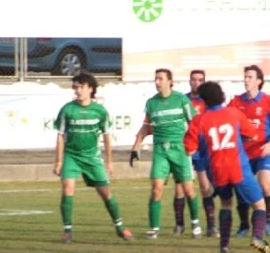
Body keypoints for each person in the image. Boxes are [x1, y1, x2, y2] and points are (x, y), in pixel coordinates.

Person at [184, 81, 270, 253]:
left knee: (226, 204)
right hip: (237, 167)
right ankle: (258, 237)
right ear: (221, 95)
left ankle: (224, 247)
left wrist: (206, 150)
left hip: (216, 171)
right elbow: (250, 135)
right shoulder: (234, 113)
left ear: (204, 101)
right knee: (259, 204)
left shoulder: (199, 121)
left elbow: (189, 148)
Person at [53, 72, 133, 243]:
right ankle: (67, 230)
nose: (78, 91)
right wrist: (59, 161)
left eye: (81, 87)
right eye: (75, 87)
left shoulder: (99, 111)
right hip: (72, 156)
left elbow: (106, 136)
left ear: (91, 89)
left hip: (92, 157)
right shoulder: (67, 109)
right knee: (67, 188)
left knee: (105, 193)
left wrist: (109, 162)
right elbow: (60, 135)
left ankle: (119, 227)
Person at [130, 68, 201, 239]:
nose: (157, 82)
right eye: (156, 79)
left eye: (160, 79)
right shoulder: (151, 103)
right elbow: (146, 127)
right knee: (156, 189)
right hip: (161, 150)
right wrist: (135, 147)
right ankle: (154, 229)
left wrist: (194, 143)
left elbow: (196, 122)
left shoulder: (181, 100)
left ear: (170, 81)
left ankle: (195, 224)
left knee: (189, 189)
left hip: (179, 149)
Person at [228, 65, 270, 237]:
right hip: (244, 153)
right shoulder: (236, 102)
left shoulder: (268, 101)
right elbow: (226, 120)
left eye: (250, 77)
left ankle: (268, 219)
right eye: (245, 77)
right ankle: (244, 224)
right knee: (241, 188)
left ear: (259, 81)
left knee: (264, 184)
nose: (246, 80)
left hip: (265, 150)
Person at [171, 70, 218, 237]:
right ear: (189, 82)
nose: (197, 83)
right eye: (194, 80)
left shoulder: (208, 102)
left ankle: (211, 226)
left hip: (201, 149)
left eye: (200, 80)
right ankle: (179, 225)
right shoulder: (182, 100)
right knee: (180, 188)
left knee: (205, 187)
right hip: (184, 147)